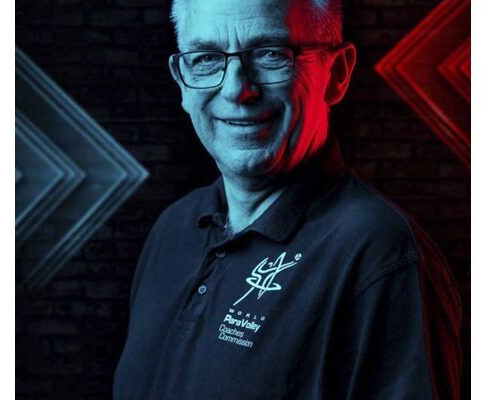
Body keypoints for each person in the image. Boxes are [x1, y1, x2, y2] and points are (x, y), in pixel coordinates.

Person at [113, 0, 462, 399]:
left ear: (337, 74)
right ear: (181, 81)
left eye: (270, 54)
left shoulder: (379, 253)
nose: (236, 89)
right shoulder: (174, 228)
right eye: (206, 58)